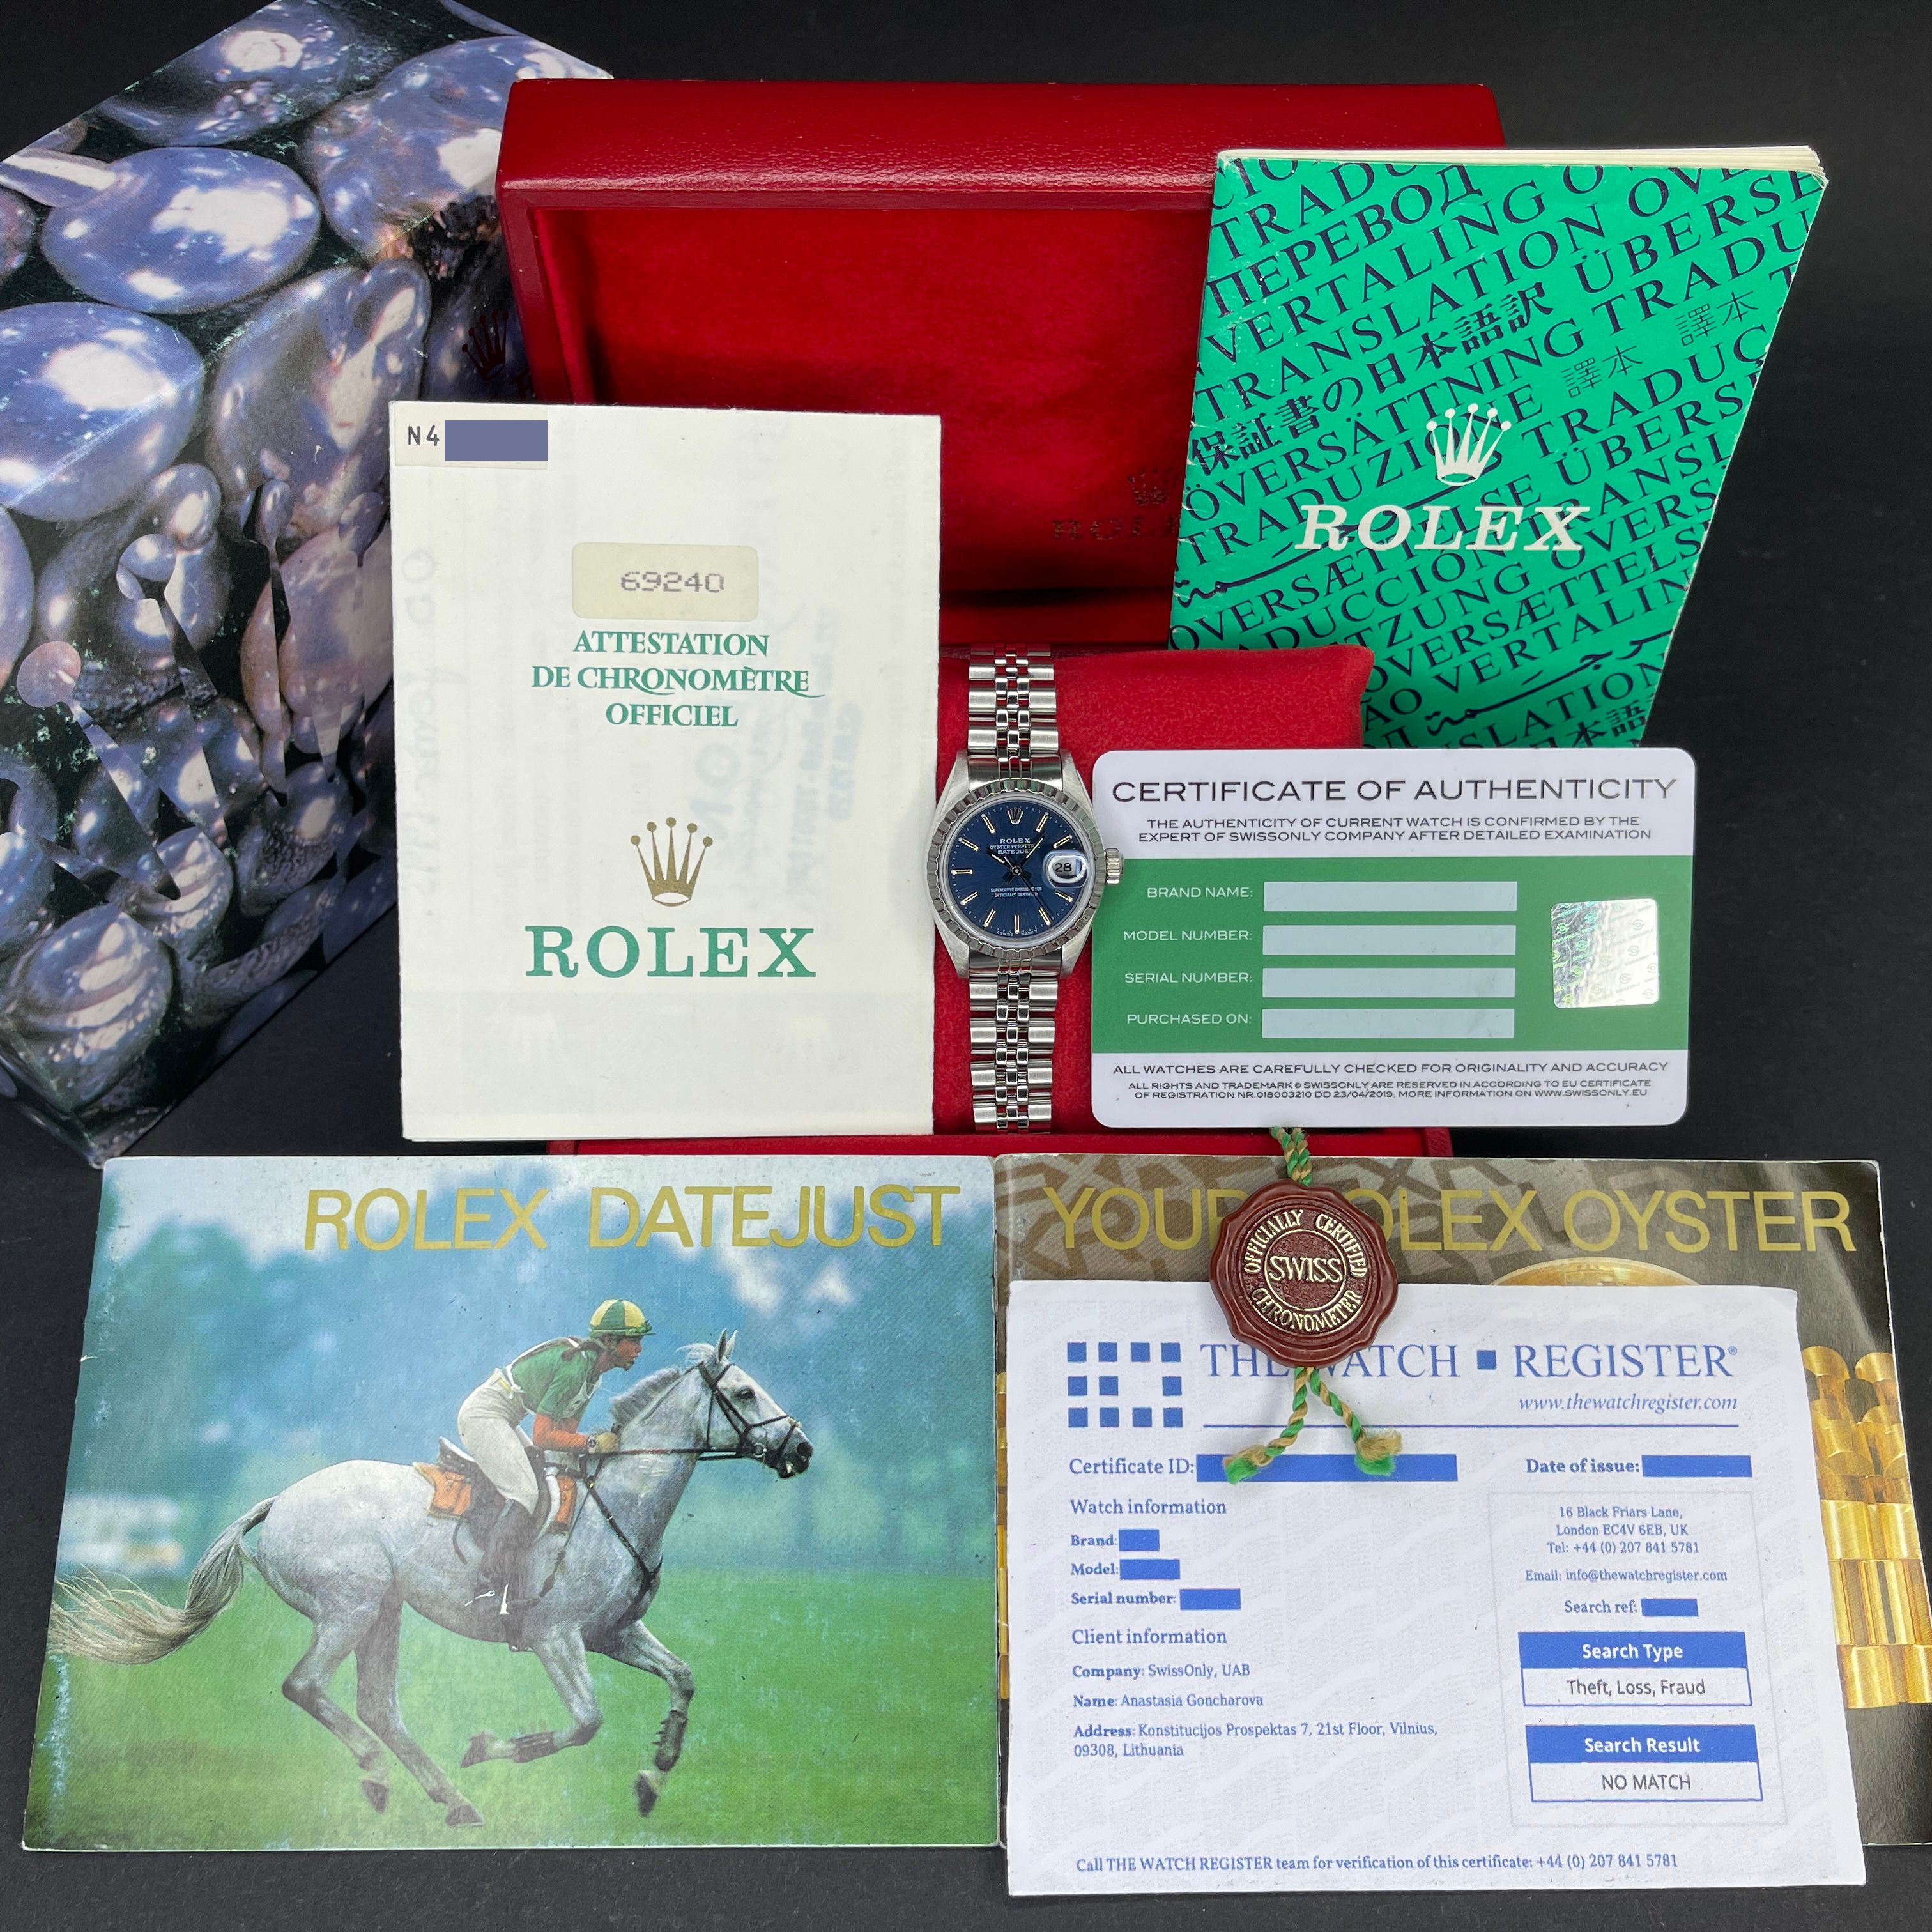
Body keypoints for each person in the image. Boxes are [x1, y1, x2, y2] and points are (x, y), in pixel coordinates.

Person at [456, 1300, 652, 1627]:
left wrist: (593, 1444)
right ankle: (485, 1590)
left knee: (540, 1480)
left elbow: (566, 1434)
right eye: (634, 1340)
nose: (640, 1349)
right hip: (485, 1415)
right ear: (610, 1342)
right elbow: (544, 1435)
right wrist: (593, 1443)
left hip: (505, 1416)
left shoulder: (592, 1376)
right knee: (525, 1494)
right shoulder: (576, 1368)